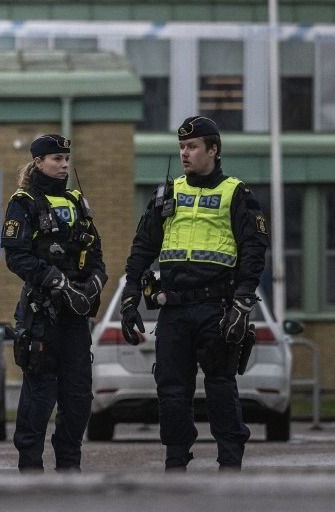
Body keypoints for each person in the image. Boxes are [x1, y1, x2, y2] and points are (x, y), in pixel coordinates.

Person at [120, 115, 269, 472]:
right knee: (171, 390)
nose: (185, 154)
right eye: (182, 147)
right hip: (173, 309)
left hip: (216, 307)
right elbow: (143, 246)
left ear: (213, 150)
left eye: (193, 147)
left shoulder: (236, 193)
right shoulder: (168, 193)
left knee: (220, 386)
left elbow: (254, 249)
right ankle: (175, 464)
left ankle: (230, 464)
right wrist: (130, 294)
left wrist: (243, 300)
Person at [1, 134, 107, 473]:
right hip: (41, 316)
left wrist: (94, 284)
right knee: (39, 397)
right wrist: (57, 282)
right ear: (38, 162)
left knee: (78, 397)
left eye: (66, 159)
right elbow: (16, 257)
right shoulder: (24, 202)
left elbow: (96, 256)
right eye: (56, 159)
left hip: (75, 318)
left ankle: (69, 471)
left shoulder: (77, 201)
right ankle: (31, 471)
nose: (63, 165)